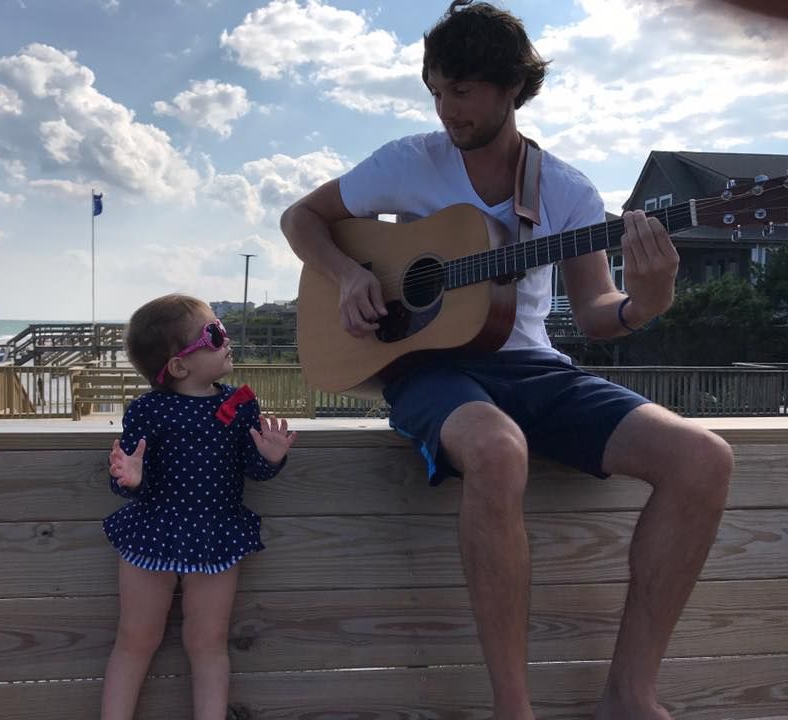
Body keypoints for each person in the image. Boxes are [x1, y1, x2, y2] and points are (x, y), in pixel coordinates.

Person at [279, 3, 733, 719]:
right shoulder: (409, 160)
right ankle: (512, 709)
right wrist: (348, 275)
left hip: (532, 367)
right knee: (495, 448)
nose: (445, 108)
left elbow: (596, 312)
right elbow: (300, 217)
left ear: (512, 87)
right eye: (436, 90)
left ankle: (629, 696)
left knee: (704, 457)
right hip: (429, 368)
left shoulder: (567, 190)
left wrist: (646, 302)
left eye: (461, 91)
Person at [100, 293, 297, 720]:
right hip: (153, 532)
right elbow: (127, 478)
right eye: (214, 334)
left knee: (208, 643)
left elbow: (252, 470)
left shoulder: (239, 405)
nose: (227, 338)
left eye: (221, 328)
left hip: (215, 536)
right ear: (178, 366)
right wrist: (129, 477)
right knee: (135, 640)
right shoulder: (148, 410)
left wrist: (271, 457)